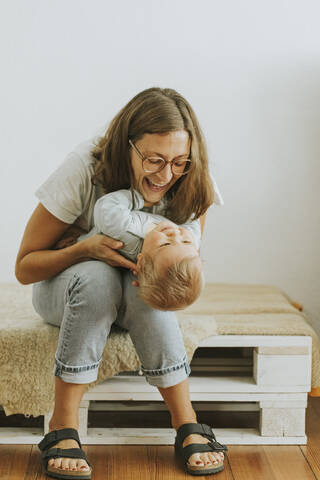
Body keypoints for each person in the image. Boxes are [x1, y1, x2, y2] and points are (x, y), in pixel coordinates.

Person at [15, 87, 227, 478]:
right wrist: (85, 249)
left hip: (134, 296)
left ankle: (186, 424)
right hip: (68, 291)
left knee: (146, 289)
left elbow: (179, 261)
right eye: (153, 160)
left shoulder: (190, 177)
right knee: (98, 278)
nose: (166, 175)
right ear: (125, 146)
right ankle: (63, 425)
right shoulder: (85, 167)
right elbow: (25, 268)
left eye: (179, 162)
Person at [68, 188, 204, 310]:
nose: (175, 234)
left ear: (140, 261)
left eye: (165, 244)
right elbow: (193, 219)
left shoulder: (127, 237)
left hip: (77, 255)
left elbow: (106, 209)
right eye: (186, 241)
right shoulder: (191, 242)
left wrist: (142, 197)